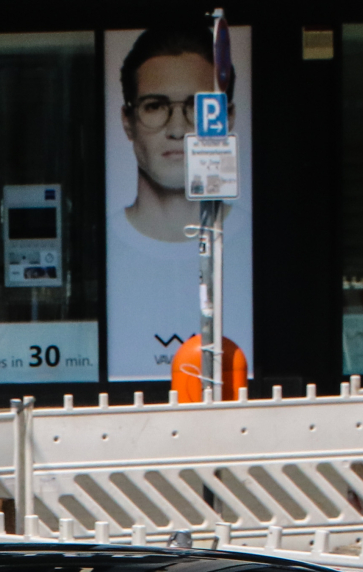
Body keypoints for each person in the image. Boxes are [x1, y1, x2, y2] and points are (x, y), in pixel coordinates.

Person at [105, 26, 253, 383]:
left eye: (195, 106)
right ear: (128, 121)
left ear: (226, 117)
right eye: (155, 106)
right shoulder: (102, 240)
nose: (177, 128)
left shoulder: (255, 235)